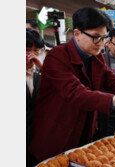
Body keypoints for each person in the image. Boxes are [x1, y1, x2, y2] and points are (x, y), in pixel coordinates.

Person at [28, 7, 115, 163]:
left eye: (104, 38)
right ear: (77, 33)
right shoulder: (57, 56)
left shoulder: (96, 57)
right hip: (56, 134)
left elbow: (111, 80)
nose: (101, 43)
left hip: (83, 132)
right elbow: (77, 93)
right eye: (96, 37)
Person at [26, 28, 44, 167]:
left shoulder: (40, 71)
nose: (31, 54)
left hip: (35, 136)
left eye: (36, 50)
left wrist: (43, 69)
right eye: (27, 49)